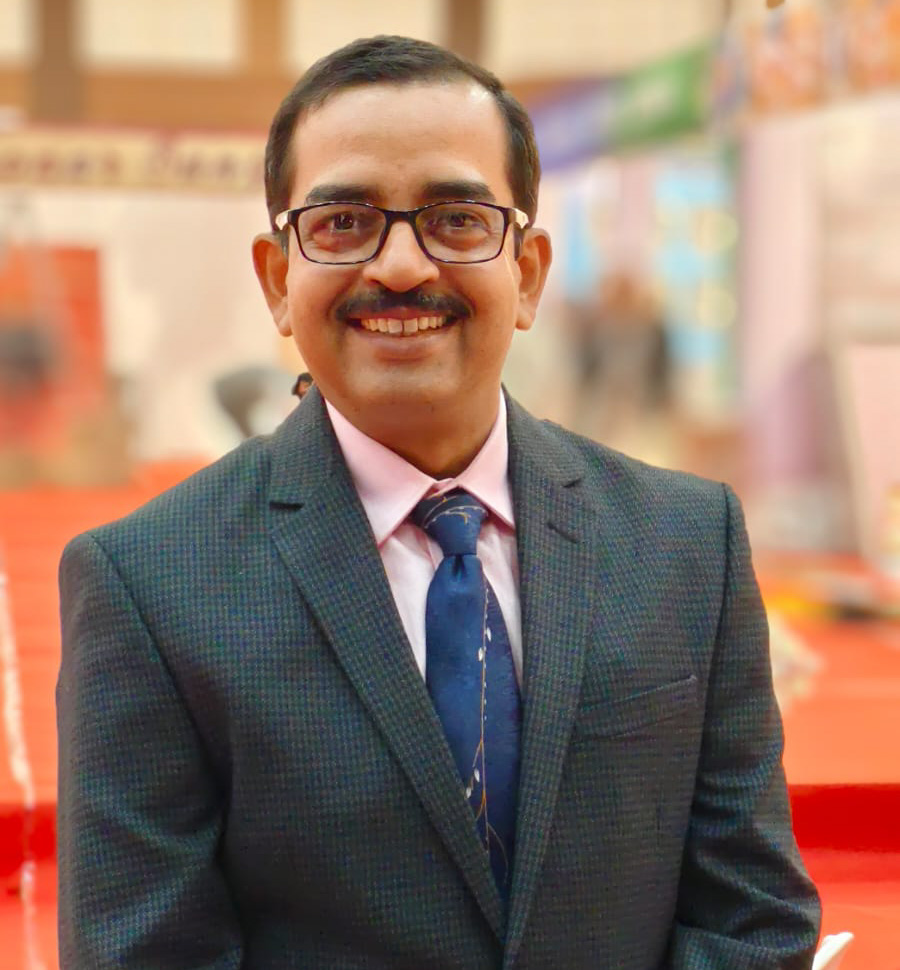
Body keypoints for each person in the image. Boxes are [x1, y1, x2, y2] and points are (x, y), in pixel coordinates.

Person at [57, 35, 821, 970]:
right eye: (344, 222)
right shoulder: (148, 585)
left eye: (457, 219)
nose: (401, 265)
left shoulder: (689, 545)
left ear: (527, 272)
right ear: (278, 280)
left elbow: (752, 918)